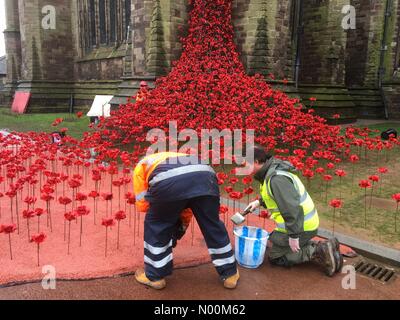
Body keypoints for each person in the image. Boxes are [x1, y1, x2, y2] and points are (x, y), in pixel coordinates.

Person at [133, 151, 239, 289]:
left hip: (169, 183)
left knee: (157, 225)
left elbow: (143, 203)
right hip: (206, 178)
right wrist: (180, 226)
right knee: (213, 226)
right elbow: (187, 205)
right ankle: (230, 273)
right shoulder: (180, 156)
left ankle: (155, 276)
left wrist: (162, 218)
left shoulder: (141, 165)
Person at [244, 145, 343, 276]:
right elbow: (275, 195)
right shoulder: (273, 169)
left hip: (300, 226)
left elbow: (291, 209)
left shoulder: (276, 179)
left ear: (256, 162)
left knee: (275, 257)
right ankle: (327, 246)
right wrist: (259, 202)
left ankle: (318, 251)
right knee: (275, 241)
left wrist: (293, 236)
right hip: (303, 223)